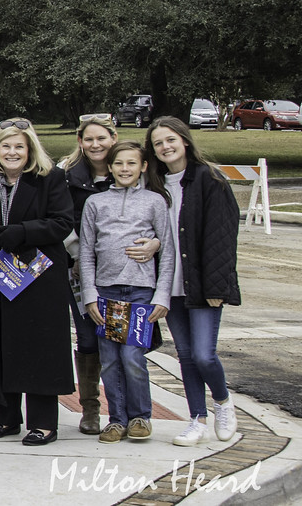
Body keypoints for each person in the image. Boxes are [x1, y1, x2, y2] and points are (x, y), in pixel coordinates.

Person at [0, 119, 76, 446]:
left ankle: (43, 424)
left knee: (37, 348)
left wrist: (19, 233)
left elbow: (62, 222)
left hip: (38, 277)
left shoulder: (51, 179)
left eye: (18, 146)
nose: (12, 152)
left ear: (29, 150)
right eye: (5, 146)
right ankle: (8, 418)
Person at [145, 117, 241, 447]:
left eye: (170, 139)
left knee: (204, 355)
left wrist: (218, 289)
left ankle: (223, 402)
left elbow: (222, 238)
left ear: (184, 140)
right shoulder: (153, 184)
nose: (165, 147)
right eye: (158, 143)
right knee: (185, 355)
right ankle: (197, 420)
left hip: (202, 286)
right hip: (168, 286)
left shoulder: (210, 179)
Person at [80, 140, 176, 445]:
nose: (125, 169)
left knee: (133, 357)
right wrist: (90, 294)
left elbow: (168, 251)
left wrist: (161, 296)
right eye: (119, 163)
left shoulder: (154, 202)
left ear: (143, 167)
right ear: (110, 167)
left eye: (131, 163)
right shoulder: (95, 203)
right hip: (106, 293)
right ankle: (117, 420)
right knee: (109, 360)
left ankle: (140, 417)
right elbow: (85, 252)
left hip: (139, 293)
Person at [60, 117, 129, 435]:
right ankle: (90, 409)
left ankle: (123, 410)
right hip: (79, 270)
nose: (95, 144)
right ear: (80, 142)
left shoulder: (129, 172)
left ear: (113, 138)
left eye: (102, 138)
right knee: (88, 337)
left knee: (118, 338)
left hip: (121, 273)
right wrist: (78, 257)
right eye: (89, 139)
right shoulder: (67, 177)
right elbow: (63, 221)